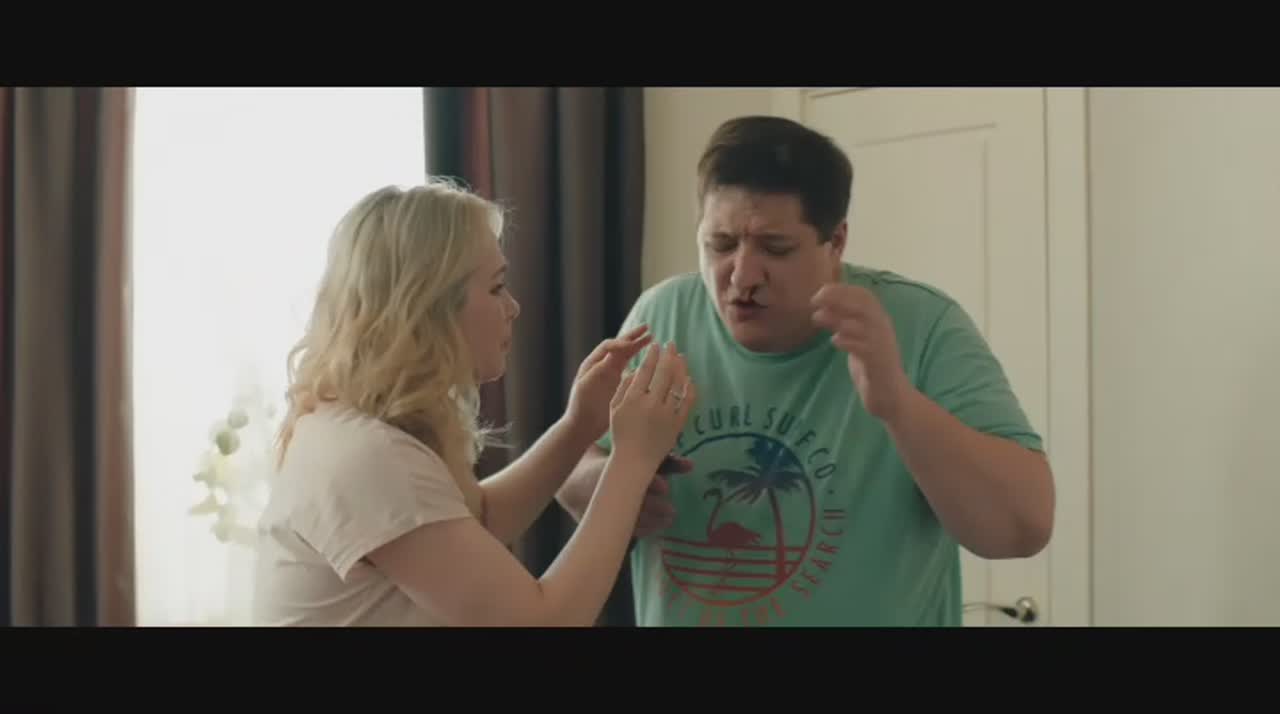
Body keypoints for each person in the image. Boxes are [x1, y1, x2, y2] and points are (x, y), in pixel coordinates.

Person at [556, 116, 1056, 627]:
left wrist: (899, 405)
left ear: (836, 241)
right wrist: (605, 488)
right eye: (720, 244)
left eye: (776, 248)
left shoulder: (922, 325)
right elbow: (571, 466)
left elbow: (1023, 529)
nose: (743, 277)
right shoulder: (662, 315)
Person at [252, 179, 697, 626]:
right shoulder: (369, 456)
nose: (513, 307)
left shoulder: (346, 428)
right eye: (496, 287)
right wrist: (633, 457)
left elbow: (477, 521)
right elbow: (544, 621)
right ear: (428, 305)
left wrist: (579, 425)